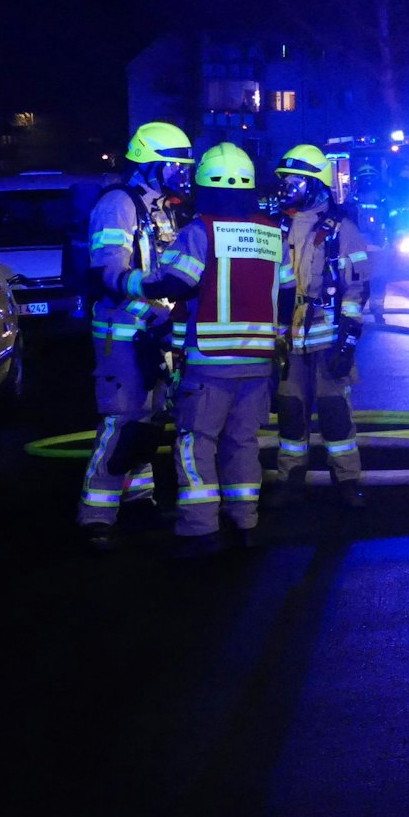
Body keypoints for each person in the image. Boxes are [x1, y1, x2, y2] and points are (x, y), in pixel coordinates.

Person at [128, 143, 294, 557]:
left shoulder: (201, 231)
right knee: (243, 443)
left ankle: (200, 529)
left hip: (210, 362)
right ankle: (245, 522)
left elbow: (178, 285)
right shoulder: (273, 233)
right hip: (258, 362)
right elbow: (288, 293)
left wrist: (134, 282)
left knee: (196, 443)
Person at [78, 121, 192, 551]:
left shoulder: (157, 207)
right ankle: (97, 516)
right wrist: (154, 310)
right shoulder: (118, 206)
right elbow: (108, 272)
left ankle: (139, 499)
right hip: (123, 334)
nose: (182, 175)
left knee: (148, 421)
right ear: (151, 165)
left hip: (151, 333)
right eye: (175, 166)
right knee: (122, 422)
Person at [270, 144, 371, 509]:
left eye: (296, 181)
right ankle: (290, 478)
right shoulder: (276, 226)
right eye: (285, 181)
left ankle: (347, 480)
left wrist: (347, 341)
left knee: (334, 412)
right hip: (288, 341)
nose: (287, 188)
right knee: (291, 413)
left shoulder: (342, 229)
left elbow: (356, 288)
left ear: (316, 185)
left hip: (327, 337)